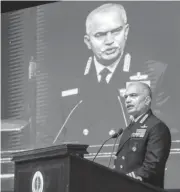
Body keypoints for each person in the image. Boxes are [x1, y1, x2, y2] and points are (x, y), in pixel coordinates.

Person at [55, 3, 174, 166]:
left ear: (126, 32)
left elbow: (163, 136)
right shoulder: (68, 82)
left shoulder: (154, 74)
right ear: (88, 41)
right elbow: (52, 138)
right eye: (100, 35)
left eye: (116, 31)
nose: (109, 41)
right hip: (81, 172)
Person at [114, 82, 171, 188]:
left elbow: (153, 165)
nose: (127, 100)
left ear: (147, 100)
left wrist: (126, 179)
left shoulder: (157, 127)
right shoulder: (128, 128)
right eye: (126, 97)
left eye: (133, 95)